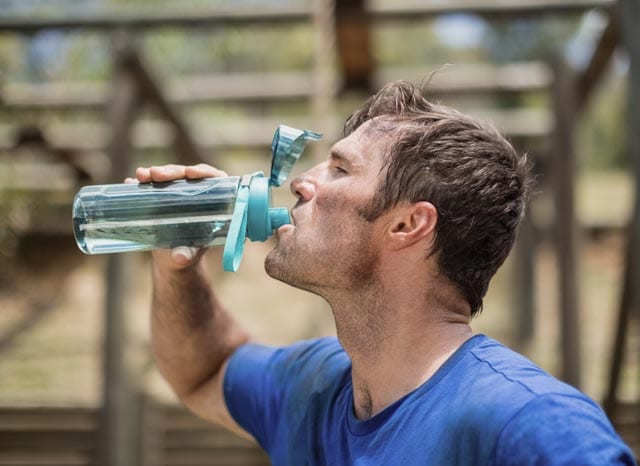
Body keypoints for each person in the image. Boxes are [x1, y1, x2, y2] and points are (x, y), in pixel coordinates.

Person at [133, 81, 636, 465]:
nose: (304, 182)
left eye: (340, 169)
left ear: (407, 224)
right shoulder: (317, 386)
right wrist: (176, 265)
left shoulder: (529, 422)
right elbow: (203, 372)